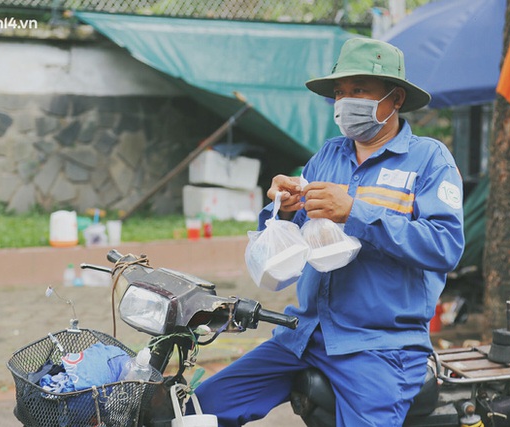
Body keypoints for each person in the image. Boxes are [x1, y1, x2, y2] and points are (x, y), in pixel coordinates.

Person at [194, 37, 465, 426]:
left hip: (379, 347)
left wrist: (355, 211)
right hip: (303, 335)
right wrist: (283, 211)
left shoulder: (428, 159)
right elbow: (297, 236)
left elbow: (445, 246)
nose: (346, 101)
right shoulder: (328, 155)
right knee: (199, 409)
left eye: (359, 90)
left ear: (396, 98)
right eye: (340, 92)